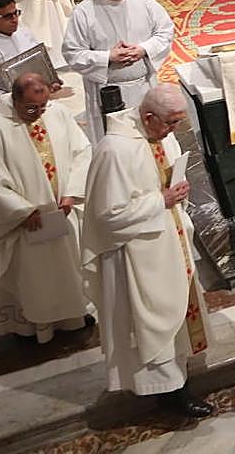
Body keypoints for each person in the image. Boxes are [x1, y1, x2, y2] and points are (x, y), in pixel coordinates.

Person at [82, 83, 213, 419]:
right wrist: (161, 200)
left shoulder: (160, 135)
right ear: (149, 116)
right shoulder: (114, 151)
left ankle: (177, 385)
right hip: (138, 256)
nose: (173, 131)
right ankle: (169, 396)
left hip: (170, 242)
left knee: (175, 317)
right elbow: (107, 217)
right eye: (170, 123)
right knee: (153, 325)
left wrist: (175, 193)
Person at [0, 72, 90, 343]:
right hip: (26, 224)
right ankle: (36, 327)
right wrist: (23, 211)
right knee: (35, 279)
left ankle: (72, 316)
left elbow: (81, 151)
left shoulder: (57, 114)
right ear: (15, 100)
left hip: (60, 213)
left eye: (43, 106)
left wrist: (71, 193)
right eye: (31, 108)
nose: (38, 113)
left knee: (67, 269)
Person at [63, 0, 174, 142]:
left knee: (152, 141)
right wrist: (107, 57)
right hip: (108, 91)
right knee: (119, 145)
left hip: (144, 85)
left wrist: (143, 49)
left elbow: (165, 31)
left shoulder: (143, 0)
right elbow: (72, 53)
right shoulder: (83, 13)